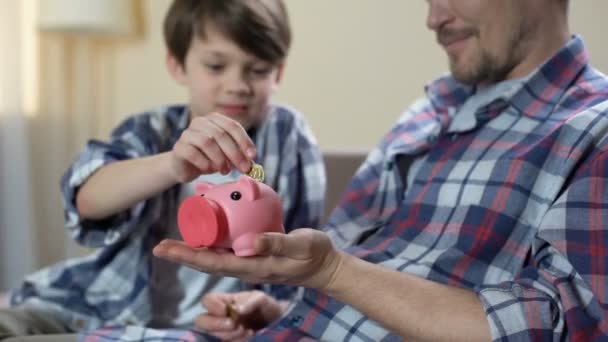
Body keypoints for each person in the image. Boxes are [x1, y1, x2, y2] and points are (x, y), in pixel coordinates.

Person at [152, 0, 608, 341]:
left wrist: (332, 273)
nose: (434, 18)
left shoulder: (593, 129)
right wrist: (279, 309)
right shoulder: (425, 116)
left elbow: (562, 328)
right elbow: (352, 268)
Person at [0, 0, 325, 341]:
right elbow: (85, 196)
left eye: (257, 69)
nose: (237, 85)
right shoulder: (151, 128)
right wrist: (170, 164)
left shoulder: (287, 136)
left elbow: (300, 261)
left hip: (206, 328)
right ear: (177, 65)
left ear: (279, 72)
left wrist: (266, 308)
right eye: (216, 66)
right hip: (94, 305)